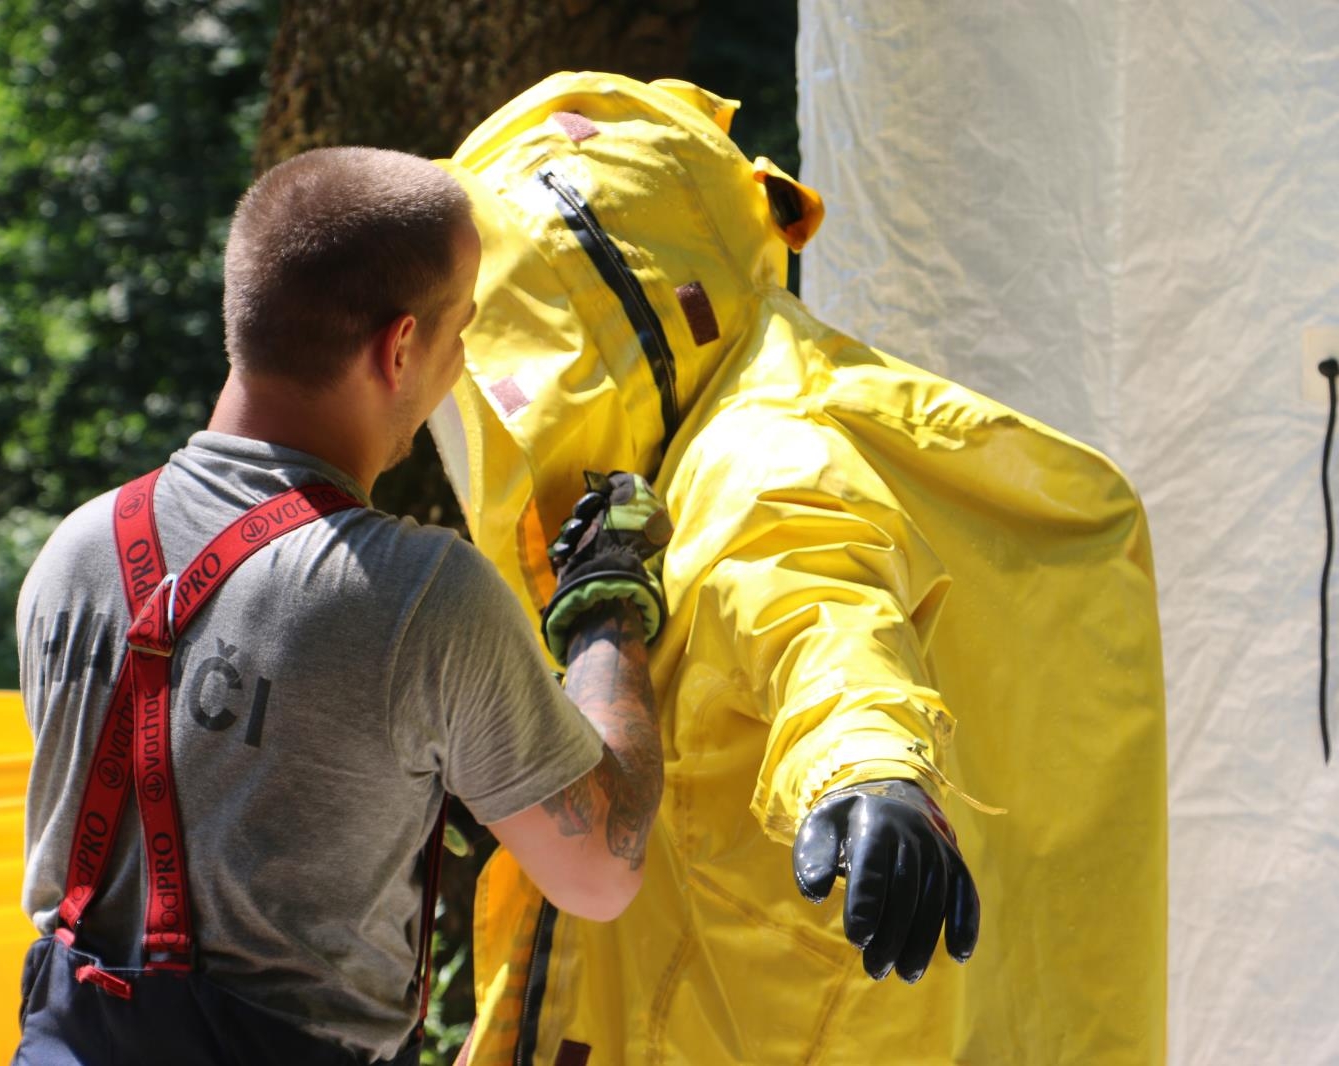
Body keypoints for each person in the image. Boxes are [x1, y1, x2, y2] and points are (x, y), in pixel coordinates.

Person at [431, 73, 1167, 1064]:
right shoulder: (731, 421)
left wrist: (866, 768)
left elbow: (820, 607)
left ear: (610, 335)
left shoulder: (759, 457)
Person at [12, 146, 672, 1066]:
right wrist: (607, 604)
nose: (460, 365)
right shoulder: (415, 596)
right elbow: (600, 869)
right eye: (459, 333)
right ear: (398, 347)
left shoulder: (77, 547)